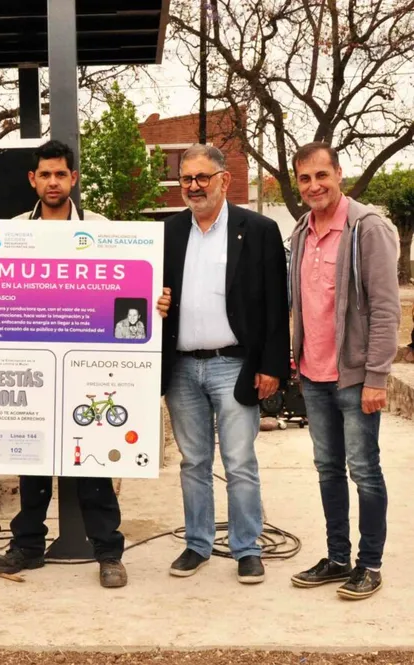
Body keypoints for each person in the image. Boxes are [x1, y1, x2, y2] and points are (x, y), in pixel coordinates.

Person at [0, 139, 128, 588]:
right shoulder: (10, 232)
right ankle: (27, 546)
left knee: (94, 460)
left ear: (73, 179)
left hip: (88, 364)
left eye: (60, 174)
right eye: (44, 174)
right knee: (33, 458)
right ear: (33, 179)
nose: (52, 182)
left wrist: (153, 302)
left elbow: (126, 292)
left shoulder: (102, 229)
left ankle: (108, 553)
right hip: (35, 365)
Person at [160, 144, 290, 584]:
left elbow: (277, 306)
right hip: (181, 368)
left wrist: (272, 367)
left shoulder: (259, 230)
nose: (194, 187)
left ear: (224, 180)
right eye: (186, 180)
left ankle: (247, 548)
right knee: (193, 461)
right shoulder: (169, 233)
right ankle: (197, 544)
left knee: (239, 462)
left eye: (202, 178)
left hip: (234, 365)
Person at [289, 143, 400, 600]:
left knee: (365, 471)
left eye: (321, 175)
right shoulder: (300, 231)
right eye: (304, 179)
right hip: (313, 375)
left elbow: (386, 308)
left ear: (338, 173)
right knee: (327, 469)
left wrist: (377, 376)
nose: (314, 185)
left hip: (355, 379)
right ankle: (337, 558)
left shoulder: (367, 228)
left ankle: (369, 564)